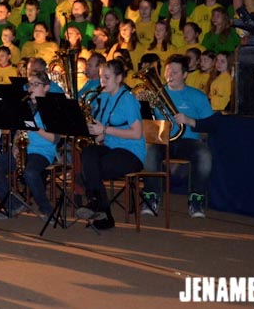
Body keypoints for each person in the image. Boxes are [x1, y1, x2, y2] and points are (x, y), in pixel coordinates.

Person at [141, 54, 214, 219]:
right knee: (149, 152)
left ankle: (196, 199)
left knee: (204, 155)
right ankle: (151, 197)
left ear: (185, 74)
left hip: (187, 141)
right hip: (161, 140)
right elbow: (144, 122)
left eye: (174, 72)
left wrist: (189, 120)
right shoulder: (154, 95)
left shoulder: (197, 96)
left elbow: (212, 124)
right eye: (167, 71)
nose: (170, 75)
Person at [76, 59, 145, 230]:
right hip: (111, 148)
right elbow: (105, 128)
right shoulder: (105, 97)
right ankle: (98, 206)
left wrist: (105, 130)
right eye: (101, 77)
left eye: (107, 77)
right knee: (88, 153)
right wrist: (97, 134)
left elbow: (137, 133)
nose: (102, 81)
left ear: (119, 78)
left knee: (91, 170)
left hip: (131, 152)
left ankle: (98, 206)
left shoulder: (128, 99)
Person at [0, 69, 58, 219]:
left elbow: (55, 139)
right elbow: (19, 130)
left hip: (42, 152)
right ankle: (13, 205)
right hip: (23, 150)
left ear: (46, 87)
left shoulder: (51, 107)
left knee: (30, 172)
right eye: (29, 85)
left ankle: (47, 210)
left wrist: (35, 128)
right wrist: (15, 147)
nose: (31, 88)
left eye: (36, 84)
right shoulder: (25, 105)